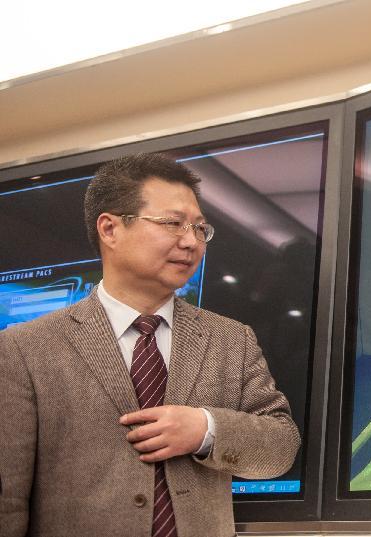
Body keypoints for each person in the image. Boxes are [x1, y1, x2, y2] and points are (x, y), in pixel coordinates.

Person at [0, 154, 300, 537]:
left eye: (200, 229)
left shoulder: (231, 339)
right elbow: (8, 500)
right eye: (173, 224)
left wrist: (205, 429)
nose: (191, 242)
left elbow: (280, 447)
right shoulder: (25, 350)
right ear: (110, 229)